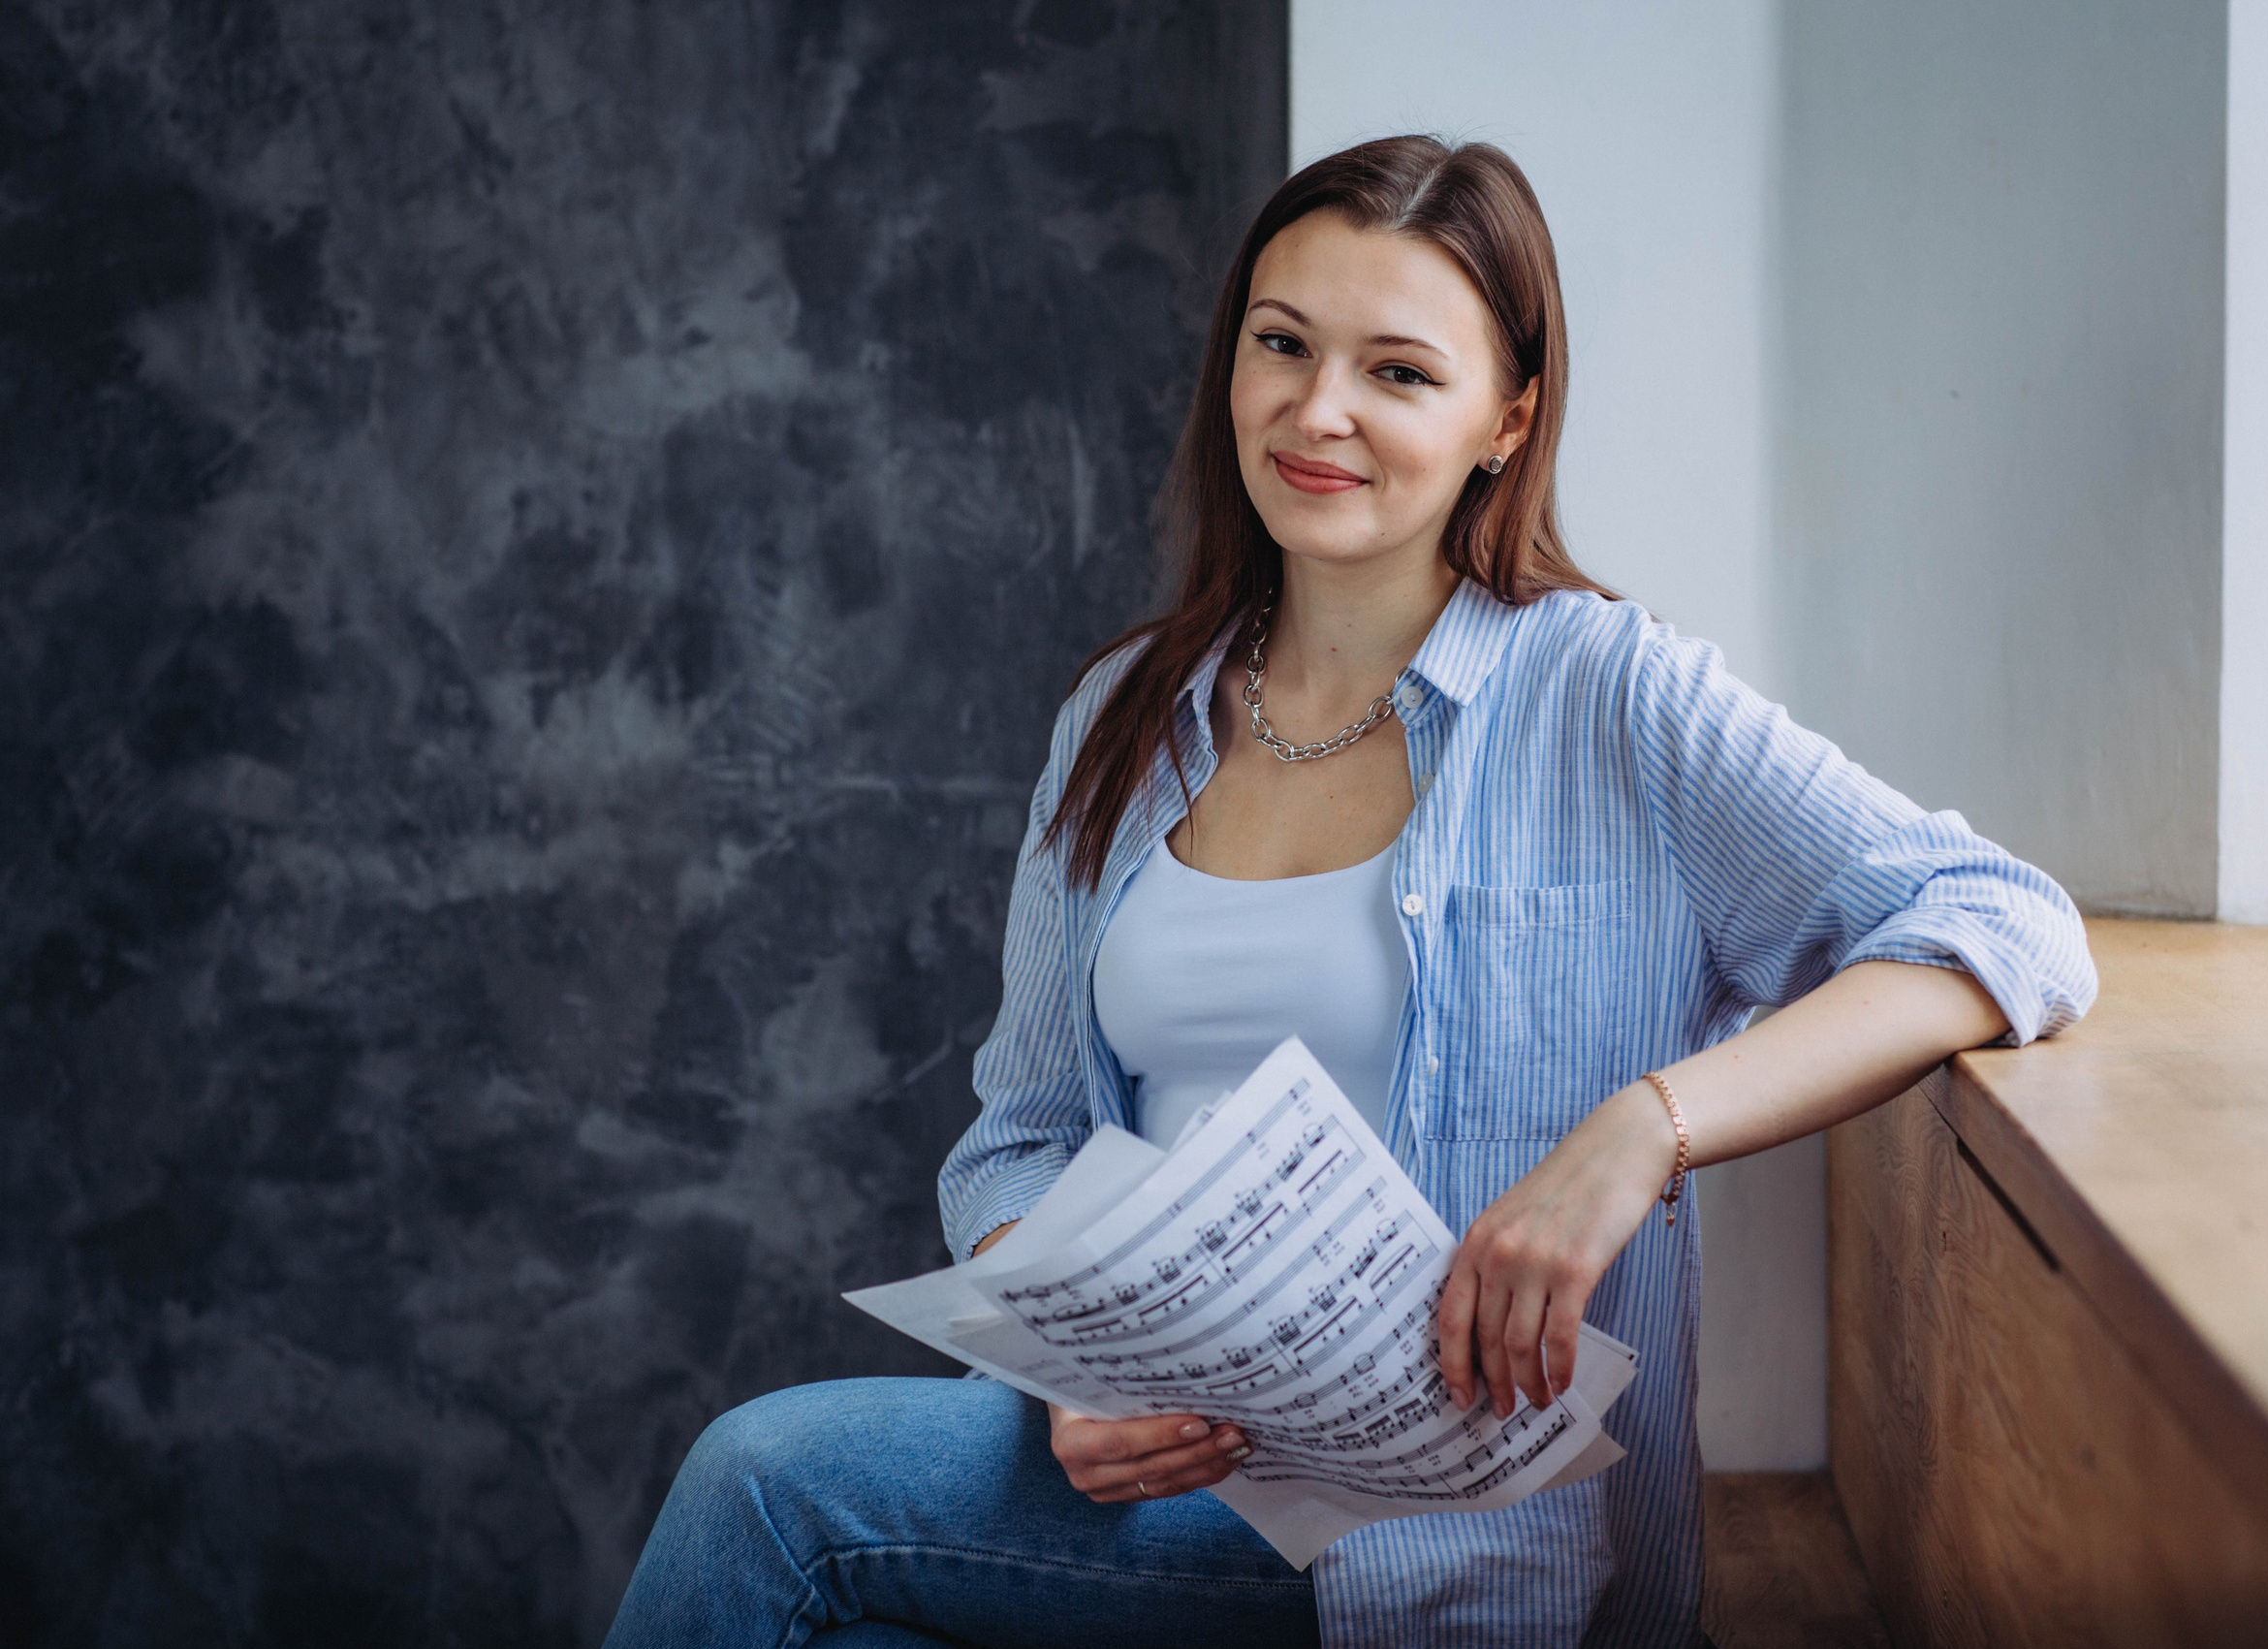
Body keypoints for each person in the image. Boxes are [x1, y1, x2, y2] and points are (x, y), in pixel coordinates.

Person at [602, 135, 2095, 1649]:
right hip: (1164, 1475)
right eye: (1282, 345)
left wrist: (1644, 1131)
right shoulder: (1124, 711)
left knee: (765, 1488)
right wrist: (1068, 1362)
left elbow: (2001, 918)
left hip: (1439, 1524)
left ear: (1505, 421)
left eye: (1398, 372)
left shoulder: (1615, 698)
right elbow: (1022, 1138)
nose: (1320, 411)